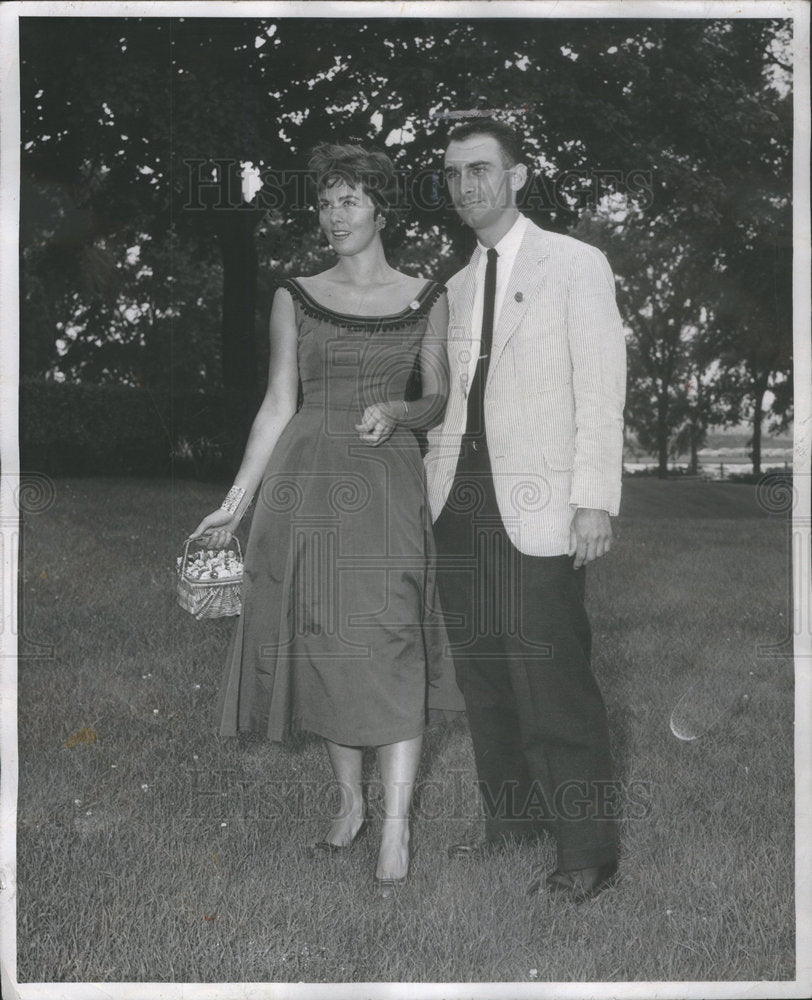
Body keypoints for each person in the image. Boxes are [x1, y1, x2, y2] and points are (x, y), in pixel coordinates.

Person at [190, 143, 460, 894]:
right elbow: (279, 402)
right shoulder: (296, 295)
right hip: (305, 484)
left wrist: (397, 409)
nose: (334, 215)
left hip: (386, 484)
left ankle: (397, 826)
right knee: (327, 642)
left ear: (380, 208)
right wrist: (233, 505)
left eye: (349, 200)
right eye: (325, 201)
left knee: (391, 635)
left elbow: (438, 397)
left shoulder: (426, 296)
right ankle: (350, 805)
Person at [425, 118, 626, 902]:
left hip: (541, 505)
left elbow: (600, 391)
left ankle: (586, 853)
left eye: (479, 169)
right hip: (461, 504)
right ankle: (512, 826)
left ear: (518, 175)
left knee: (551, 679)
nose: (464, 185)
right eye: (452, 174)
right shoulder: (453, 285)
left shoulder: (574, 264)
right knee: (484, 678)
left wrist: (593, 501)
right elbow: (449, 405)